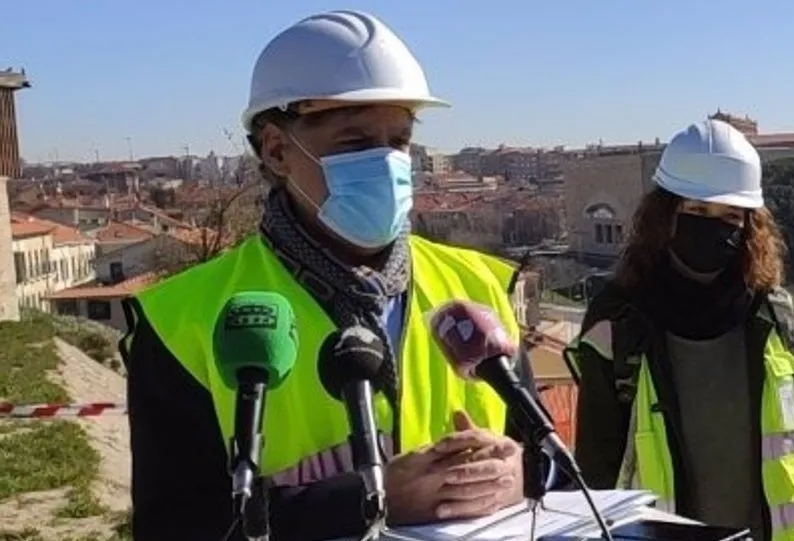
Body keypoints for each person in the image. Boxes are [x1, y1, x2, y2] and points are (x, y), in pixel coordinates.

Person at [122, 11, 540, 541]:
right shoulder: (182, 321)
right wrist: (366, 499)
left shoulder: (479, 287)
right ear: (276, 150)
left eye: (400, 140)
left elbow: (549, 461)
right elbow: (174, 525)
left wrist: (517, 474)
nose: (386, 161)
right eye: (355, 142)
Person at [564, 119, 794, 541]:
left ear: (750, 225)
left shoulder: (778, 316)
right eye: (696, 210)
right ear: (666, 213)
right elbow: (597, 463)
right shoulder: (617, 320)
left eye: (729, 215)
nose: (712, 225)